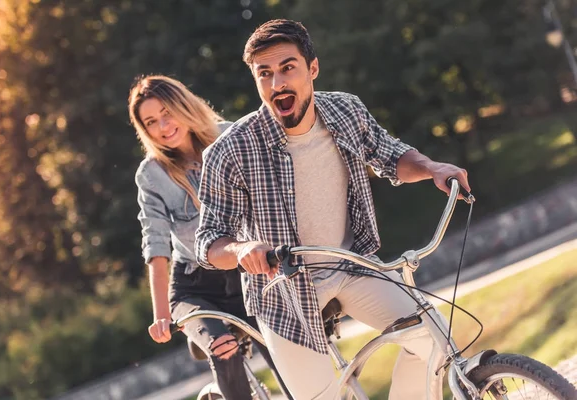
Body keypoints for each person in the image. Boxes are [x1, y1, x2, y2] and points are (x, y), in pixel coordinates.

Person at [195, 20, 472, 400]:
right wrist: (242, 250)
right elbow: (209, 241)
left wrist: (432, 168)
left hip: (350, 264)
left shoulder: (345, 110)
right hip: (284, 293)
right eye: (265, 74)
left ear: (312, 69)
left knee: (435, 339)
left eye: (287, 68)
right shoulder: (231, 151)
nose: (277, 85)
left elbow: (390, 154)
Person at [129, 75, 290, 400]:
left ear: (183, 105)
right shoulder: (153, 175)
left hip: (252, 275)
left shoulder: (231, 136)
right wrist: (161, 315)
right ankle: (208, 336)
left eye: (166, 112)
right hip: (196, 288)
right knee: (224, 348)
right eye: (151, 122)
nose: (163, 125)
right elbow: (157, 247)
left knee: (285, 350)